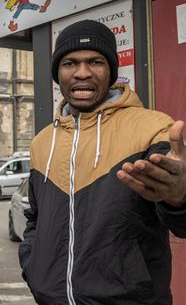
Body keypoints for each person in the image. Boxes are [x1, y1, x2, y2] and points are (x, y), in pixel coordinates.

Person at [21, 19, 186, 304]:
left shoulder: (153, 129)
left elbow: (182, 224)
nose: (82, 73)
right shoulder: (42, 141)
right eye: (70, 63)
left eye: (95, 62)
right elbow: (34, 219)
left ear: (111, 72)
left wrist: (181, 198)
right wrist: (33, 266)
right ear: (57, 73)